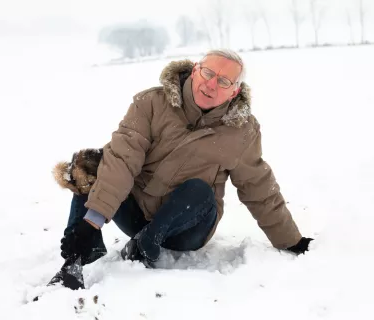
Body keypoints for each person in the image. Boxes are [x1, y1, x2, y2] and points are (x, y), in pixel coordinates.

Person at [49, 49, 313, 290]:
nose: (211, 84)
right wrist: (91, 223)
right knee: (94, 163)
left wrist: (291, 240)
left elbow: (258, 186)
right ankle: (75, 261)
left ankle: (143, 246)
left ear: (235, 91)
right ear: (196, 69)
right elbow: (122, 159)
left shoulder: (242, 131)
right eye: (208, 73)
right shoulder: (151, 103)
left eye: (223, 81)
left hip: (187, 227)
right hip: (135, 213)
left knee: (198, 189)